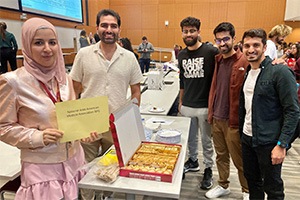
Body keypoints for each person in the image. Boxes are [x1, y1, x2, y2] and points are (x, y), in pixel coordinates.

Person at [0, 17, 98, 200]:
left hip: (75, 162)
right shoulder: (12, 82)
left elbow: (72, 117)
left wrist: (84, 131)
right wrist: (37, 137)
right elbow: (3, 127)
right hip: (42, 170)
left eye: (52, 42)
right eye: (38, 43)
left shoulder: (64, 79)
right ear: (27, 46)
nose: (47, 49)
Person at [69, 9, 143, 200]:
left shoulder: (129, 57)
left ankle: (106, 196)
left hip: (116, 125)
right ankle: (88, 198)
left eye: (113, 26)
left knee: (113, 169)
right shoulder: (84, 55)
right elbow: (73, 90)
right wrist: (75, 125)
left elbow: (136, 91)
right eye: (104, 25)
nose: (109, 29)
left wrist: (132, 121)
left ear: (119, 29)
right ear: (97, 28)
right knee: (84, 170)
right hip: (88, 125)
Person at [239, 28, 299, 200]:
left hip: (269, 142)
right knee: (253, 182)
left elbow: (293, 111)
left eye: (256, 45)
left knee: (273, 188)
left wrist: (282, 145)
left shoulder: (280, 72)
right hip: (248, 138)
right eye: (247, 45)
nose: (251, 49)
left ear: (265, 47)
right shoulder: (248, 72)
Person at [206, 22, 249, 200]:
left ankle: (247, 191)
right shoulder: (218, 60)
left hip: (234, 121)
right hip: (217, 117)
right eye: (219, 40)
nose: (222, 43)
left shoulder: (243, 61)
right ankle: (223, 185)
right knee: (221, 156)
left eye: (226, 39)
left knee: (240, 160)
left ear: (233, 38)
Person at [178, 16, 218, 190]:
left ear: (198, 32)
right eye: (186, 31)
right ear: (182, 33)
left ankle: (208, 168)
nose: (189, 34)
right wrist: (180, 103)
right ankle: (193, 161)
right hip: (187, 105)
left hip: (204, 106)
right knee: (190, 139)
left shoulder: (210, 52)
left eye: (192, 31)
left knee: (206, 140)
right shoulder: (181, 54)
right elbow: (182, 81)